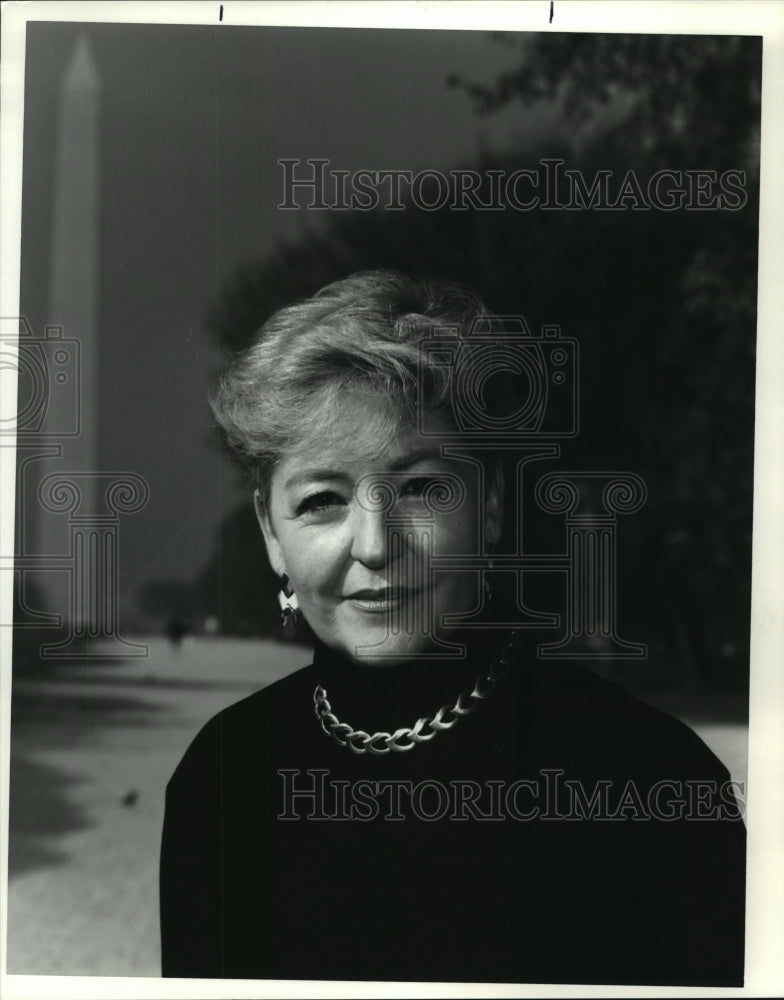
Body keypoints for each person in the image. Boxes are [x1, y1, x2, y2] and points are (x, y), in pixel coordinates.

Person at [160, 271, 745, 985]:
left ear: (489, 506)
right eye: (322, 500)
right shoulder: (222, 777)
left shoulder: (654, 779)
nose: (375, 545)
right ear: (270, 532)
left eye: (422, 488)